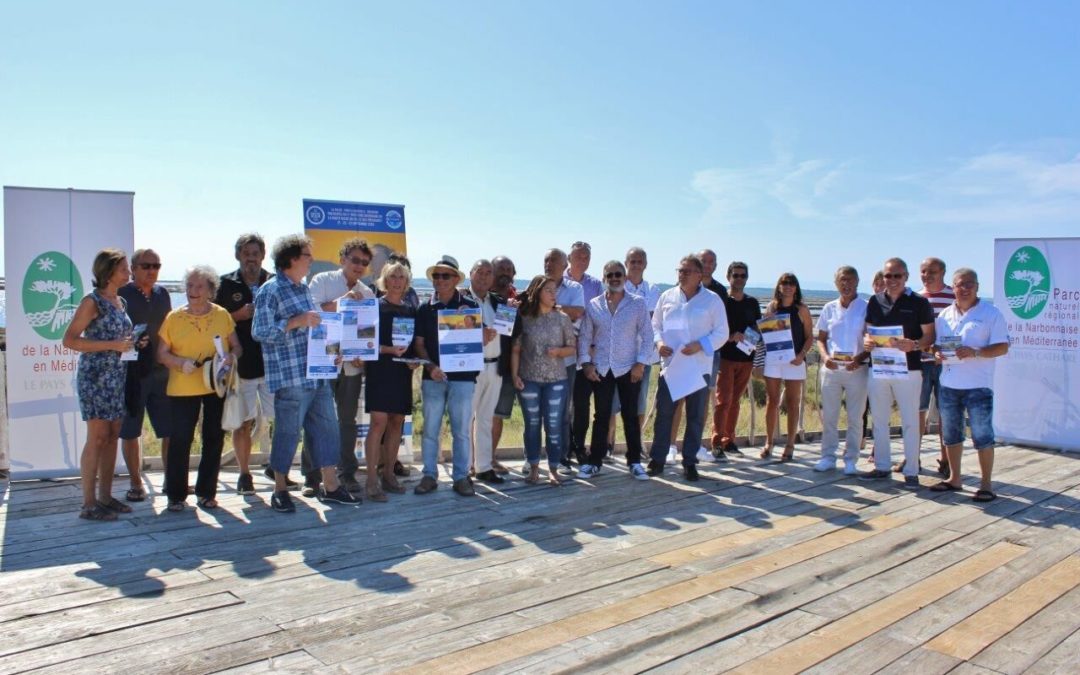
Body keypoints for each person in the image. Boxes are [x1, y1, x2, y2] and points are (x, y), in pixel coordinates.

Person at [252, 234, 361, 512]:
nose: (311, 260)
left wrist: (333, 351)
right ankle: (279, 489)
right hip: (291, 378)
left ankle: (331, 486)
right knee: (288, 433)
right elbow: (260, 332)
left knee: (327, 431)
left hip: (318, 373)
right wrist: (296, 321)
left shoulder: (302, 289)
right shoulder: (270, 290)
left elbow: (319, 327)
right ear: (291, 259)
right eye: (307, 256)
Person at [156, 265, 241, 512]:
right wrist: (180, 363)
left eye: (200, 286)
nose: (193, 291)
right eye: (190, 286)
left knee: (213, 439)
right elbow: (161, 354)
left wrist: (230, 358)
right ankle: (176, 495)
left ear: (211, 290)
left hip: (215, 385)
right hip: (182, 388)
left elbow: (237, 347)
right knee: (180, 441)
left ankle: (206, 493)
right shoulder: (174, 317)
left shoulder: (222, 315)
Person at [63, 249, 135, 521]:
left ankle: (106, 496)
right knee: (97, 436)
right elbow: (69, 340)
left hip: (116, 376)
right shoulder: (92, 302)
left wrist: (132, 345)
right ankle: (89, 504)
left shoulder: (120, 302)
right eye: (124, 268)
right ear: (109, 271)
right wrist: (111, 345)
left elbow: (119, 339)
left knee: (113, 434)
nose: (129, 272)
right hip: (95, 377)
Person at [928, 268, 1009, 501]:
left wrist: (976, 352)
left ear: (977, 287)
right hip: (949, 384)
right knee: (951, 435)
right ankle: (955, 479)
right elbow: (936, 345)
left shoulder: (991, 313)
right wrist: (936, 354)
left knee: (983, 436)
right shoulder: (944, 315)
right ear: (952, 287)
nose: (964, 289)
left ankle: (986, 484)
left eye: (969, 284)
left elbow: (1002, 347)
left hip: (978, 385)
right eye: (960, 285)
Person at [303, 237, 376, 494]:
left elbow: (367, 333)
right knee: (317, 419)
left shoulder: (367, 293)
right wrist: (343, 300)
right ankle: (312, 477)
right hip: (323, 362)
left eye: (364, 263)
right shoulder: (322, 281)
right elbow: (312, 315)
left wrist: (362, 355)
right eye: (355, 260)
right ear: (342, 259)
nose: (359, 266)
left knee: (347, 421)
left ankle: (347, 474)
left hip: (351, 367)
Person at [648, 254, 729, 481]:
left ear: (699, 274)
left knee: (695, 417)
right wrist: (660, 343)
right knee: (664, 414)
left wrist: (701, 345)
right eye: (680, 270)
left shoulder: (712, 300)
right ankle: (657, 460)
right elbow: (655, 326)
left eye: (686, 271)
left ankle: (690, 462)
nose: (681, 275)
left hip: (698, 367)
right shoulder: (667, 297)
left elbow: (722, 333)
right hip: (671, 366)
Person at [860, 257, 936, 487]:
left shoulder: (920, 303)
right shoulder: (874, 301)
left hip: (910, 370)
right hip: (880, 369)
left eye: (897, 276)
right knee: (880, 419)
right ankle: (882, 466)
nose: (892, 280)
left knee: (911, 420)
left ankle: (912, 470)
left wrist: (913, 344)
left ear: (906, 277)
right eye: (888, 276)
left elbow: (930, 337)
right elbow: (868, 332)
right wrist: (867, 342)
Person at [412, 255, 482, 497]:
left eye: (445, 276)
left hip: (463, 377)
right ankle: (429, 475)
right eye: (436, 276)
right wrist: (430, 366)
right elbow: (419, 344)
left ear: (455, 279)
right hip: (433, 376)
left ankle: (461, 477)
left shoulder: (471, 306)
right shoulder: (424, 308)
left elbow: (476, 341)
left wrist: (487, 337)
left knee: (461, 430)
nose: (439, 280)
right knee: (431, 429)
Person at [577, 261, 653, 480]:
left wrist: (641, 363)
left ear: (625, 277)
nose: (614, 278)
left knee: (630, 416)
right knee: (601, 416)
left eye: (618, 274)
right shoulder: (594, 305)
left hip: (629, 368)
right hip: (601, 368)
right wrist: (586, 364)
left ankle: (634, 461)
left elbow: (648, 337)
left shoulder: (637, 304)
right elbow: (584, 336)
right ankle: (595, 461)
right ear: (604, 278)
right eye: (609, 275)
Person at [215, 233, 278, 496]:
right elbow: (213, 321)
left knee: (281, 419)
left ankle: (277, 468)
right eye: (246, 253)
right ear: (238, 255)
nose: (251, 258)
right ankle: (244, 474)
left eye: (255, 253)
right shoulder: (224, 284)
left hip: (273, 364)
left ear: (263, 256)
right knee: (243, 422)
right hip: (242, 366)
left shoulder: (274, 281)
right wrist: (236, 316)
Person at [511, 275, 577, 486]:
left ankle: (554, 468)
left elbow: (572, 348)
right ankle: (533, 467)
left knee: (554, 425)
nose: (553, 294)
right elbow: (516, 349)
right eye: (548, 290)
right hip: (528, 379)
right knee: (531, 425)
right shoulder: (524, 317)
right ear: (538, 292)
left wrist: (559, 352)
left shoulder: (563, 318)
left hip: (557, 380)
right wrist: (514, 375)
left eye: (554, 290)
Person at [362, 259, 419, 501]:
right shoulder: (373, 307)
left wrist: (413, 360)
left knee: (397, 422)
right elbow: (364, 343)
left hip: (400, 373)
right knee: (378, 424)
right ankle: (372, 480)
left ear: (407, 283)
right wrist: (387, 350)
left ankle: (389, 475)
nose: (397, 281)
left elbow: (414, 345)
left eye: (401, 277)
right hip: (380, 370)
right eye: (393, 276)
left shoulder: (410, 310)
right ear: (384, 280)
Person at [117, 248, 171, 502]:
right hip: (132, 373)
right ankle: (136, 483)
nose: (152, 271)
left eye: (156, 266)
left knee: (168, 429)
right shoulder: (122, 294)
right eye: (146, 265)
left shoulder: (163, 294)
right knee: (131, 431)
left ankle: (171, 480)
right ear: (134, 269)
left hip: (162, 372)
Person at [814, 266, 869, 474]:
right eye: (842, 280)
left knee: (855, 416)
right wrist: (825, 357)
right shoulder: (829, 307)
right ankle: (828, 456)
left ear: (857, 282)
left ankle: (851, 459)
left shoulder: (866, 307)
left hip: (857, 369)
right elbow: (820, 339)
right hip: (832, 369)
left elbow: (871, 339)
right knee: (829, 415)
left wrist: (861, 358)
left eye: (850, 280)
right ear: (836, 283)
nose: (846, 284)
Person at [607, 246, 660, 456]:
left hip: (641, 356)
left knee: (638, 404)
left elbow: (651, 322)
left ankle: (635, 445)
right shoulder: (616, 286)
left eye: (640, 261)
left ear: (645, 264)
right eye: (632, 261)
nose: (636, 265)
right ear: (626, 263)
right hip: (615, 356)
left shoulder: (653, 290)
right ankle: (609, 444)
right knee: (611, 403)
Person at [463, 259, 510, 485]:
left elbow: (511, 333)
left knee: (485, 420)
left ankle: (483, 467)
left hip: (495, 366)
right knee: (465, 419)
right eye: (479, 272)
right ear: (470, 274)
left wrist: (514, 313)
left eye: (488, 273)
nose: (483, 277)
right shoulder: (461, 299)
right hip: (471, 367)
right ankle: (464, 469)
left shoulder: (499, 302)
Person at [760, 273, 815, 461]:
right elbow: (766, 332)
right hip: (774, 360)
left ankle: (790, 444)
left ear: (796, 287)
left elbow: (809, 337)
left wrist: (801, 356)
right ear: (779, 286)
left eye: (792, 283)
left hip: (795, 361)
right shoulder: (772, 307)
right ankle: (769, 442)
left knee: (792, 403)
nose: (788, 286)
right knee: (772, 401)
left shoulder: (802, 309)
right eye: (784, 283)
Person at [710, 261, 761, 461]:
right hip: (725, 357)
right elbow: (715, 326)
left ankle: (728, 440)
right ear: (728, 277)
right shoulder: (723, 301)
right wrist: (731, 336)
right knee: (723, 401)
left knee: (736, 402)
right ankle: (716, 442)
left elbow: (758, 328)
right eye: (736, 275)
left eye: (743, 275)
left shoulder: (752, 303)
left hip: (746, 358)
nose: (739, 279)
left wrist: (746, 335)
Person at [542, 248, 584, 472]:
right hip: (540, 361)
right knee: (542, 410)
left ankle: (563, 456)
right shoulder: (537, 286)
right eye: (546, 260)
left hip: (566, 360)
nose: (548, 264)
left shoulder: (575, 288)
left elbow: (578, 312)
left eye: (553, 261)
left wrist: (550, 307)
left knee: (564, 410)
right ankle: (546, 456)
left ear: (564, 264)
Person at [915, 256, 956, 476]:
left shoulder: (954, 296)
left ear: (943, 272)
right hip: (919, 363)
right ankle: (914, 457)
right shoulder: (915, 297)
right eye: (923, 271)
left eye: (932, 271)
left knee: (946, 413)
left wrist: (944, 351)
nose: (926, 276)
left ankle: (947, 459)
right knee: (916, 412)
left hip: (946, 365)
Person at [489, 255, 519, 474]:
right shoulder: (477, 297)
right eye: (501, 268)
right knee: (477, 417)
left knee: (498, 416)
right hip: (480, 367)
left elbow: (512, 335)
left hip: (506, 368)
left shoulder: (515, 301)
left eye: (509, 270)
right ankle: (474, 460)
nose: (505, 273)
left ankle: (489, 458)